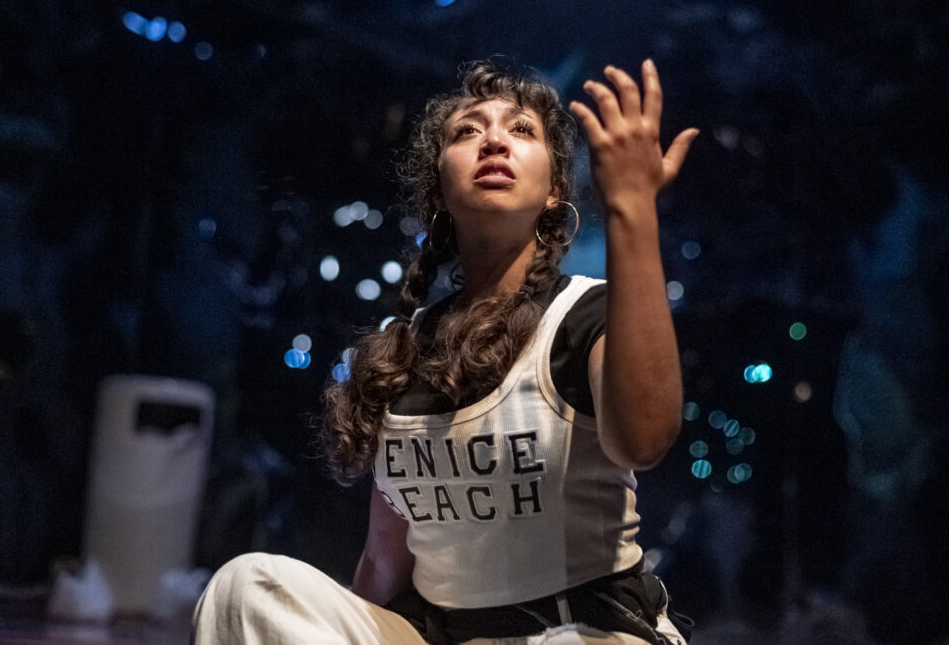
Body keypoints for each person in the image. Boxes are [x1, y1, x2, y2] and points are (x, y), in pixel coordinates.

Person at [192, 58, 699, 644]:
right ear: (438, 189)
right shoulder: (400, 354)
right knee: (246, 588)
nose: (493, 141)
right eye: (467, 131)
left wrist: (631, 209)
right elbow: (384, 567)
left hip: (582, 632)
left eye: (521, 130)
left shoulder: (584, 315)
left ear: (556, 191)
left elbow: (645, 438)